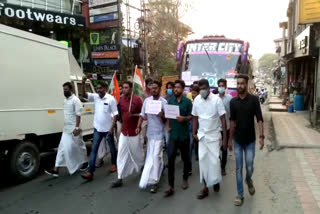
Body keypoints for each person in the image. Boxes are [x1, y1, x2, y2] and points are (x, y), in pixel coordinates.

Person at [229, 74, 264, 206]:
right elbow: (232, 122)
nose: (240, 86)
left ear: (247, 84)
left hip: (250, 140)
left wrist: (261, 136)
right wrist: (229, 140)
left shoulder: (254, 100)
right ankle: (240, 194)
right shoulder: (233, 102)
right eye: (238, 83)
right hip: (238, 140)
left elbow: (259, 118)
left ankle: (248, 179)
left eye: (242, 83)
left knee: (249, 166)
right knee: (238, 168)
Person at [192, 79, 228, 200]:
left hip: (214, 136)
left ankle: (216, 180)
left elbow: (223, 118)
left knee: (214, 162)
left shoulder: (217, 100)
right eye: (200, 89)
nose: (202, 91)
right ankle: (205, 188)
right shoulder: (197, 100)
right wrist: (193, 132)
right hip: (202, 136)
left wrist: (224, 139)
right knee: (203, 162)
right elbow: (195, 117)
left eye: (204, 88)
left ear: (208, 88)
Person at [45, 82, 88, 177]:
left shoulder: (75, 100)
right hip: (66, 129)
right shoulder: (65, 101)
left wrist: (77, 128)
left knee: (78, 146)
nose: (64, 91)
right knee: (62, 148)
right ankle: (56, 169)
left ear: (71, 89)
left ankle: (85, 161)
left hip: (74, 129)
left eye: (66, 89)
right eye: (63, 89)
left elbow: (78, 115)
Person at [81, 78, 118, 180]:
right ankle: (90, 172)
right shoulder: (95, 97)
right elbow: (84, 95)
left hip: (108, 129)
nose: (98, 90)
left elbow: (115, 115)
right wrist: (83, 83)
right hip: (97, 128)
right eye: (97, 88)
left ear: (105, 89)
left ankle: (114, 164)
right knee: (94, 150)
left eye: (100, 88)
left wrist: (112, 128)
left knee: (112, 148)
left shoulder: (111, 99)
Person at [111, 81, 144, 188]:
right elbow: (119, 114)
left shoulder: (137, 100)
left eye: (126, 87)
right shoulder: (121, 99)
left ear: (130, 89)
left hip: (134, 132)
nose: (123, 89)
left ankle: (142, 166)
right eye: (122, 88)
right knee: (121, 154)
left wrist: (133, 115)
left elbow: (143, 114)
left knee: (137, 153)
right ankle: (120, 177)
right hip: (124, 132)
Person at [164, 80, 193, 197]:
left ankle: (185, 178)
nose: (175, 89)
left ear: (183, 89)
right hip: (173, 135)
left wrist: (184, 118)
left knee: (185, 158)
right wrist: (169, 126)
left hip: (184, 135)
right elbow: (168, 115)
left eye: (178, 87)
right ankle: (171, 186)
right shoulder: (170, 101)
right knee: (170, 158)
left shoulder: (187, 102)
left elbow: (192, 116)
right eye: (174, 87)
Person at [137, 81, 167, 193]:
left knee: (155, 156)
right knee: (152, 156)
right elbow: (142, 115)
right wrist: (138, 126)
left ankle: (155, 181)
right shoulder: (147, 101)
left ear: (160, 89)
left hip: (159, 133)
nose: (153, 90)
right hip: (150, 133)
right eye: (152, 88)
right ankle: (159, 169)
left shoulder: (164, 102)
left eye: (156, 88)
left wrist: (161, 116)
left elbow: (166, 120)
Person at [217, 79, 233, 176]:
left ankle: (223, 168)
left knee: (224, 149)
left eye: (223, 86)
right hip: (216, 128)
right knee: (215, 149)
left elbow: (232, 115)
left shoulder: (230, 99)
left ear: (226, 87)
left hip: (226, 128)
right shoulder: (214, 98)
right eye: (219, 85)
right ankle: (217, 164)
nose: (221, 87)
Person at [190, 85, 200, 163]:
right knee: (190, 144)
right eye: (192, 93)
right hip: (191, 126)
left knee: (198, 142)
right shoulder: (190, 102)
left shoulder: (200, 103)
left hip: (199, 126)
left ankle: (197, 154)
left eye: (194, 93)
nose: (193, 95)